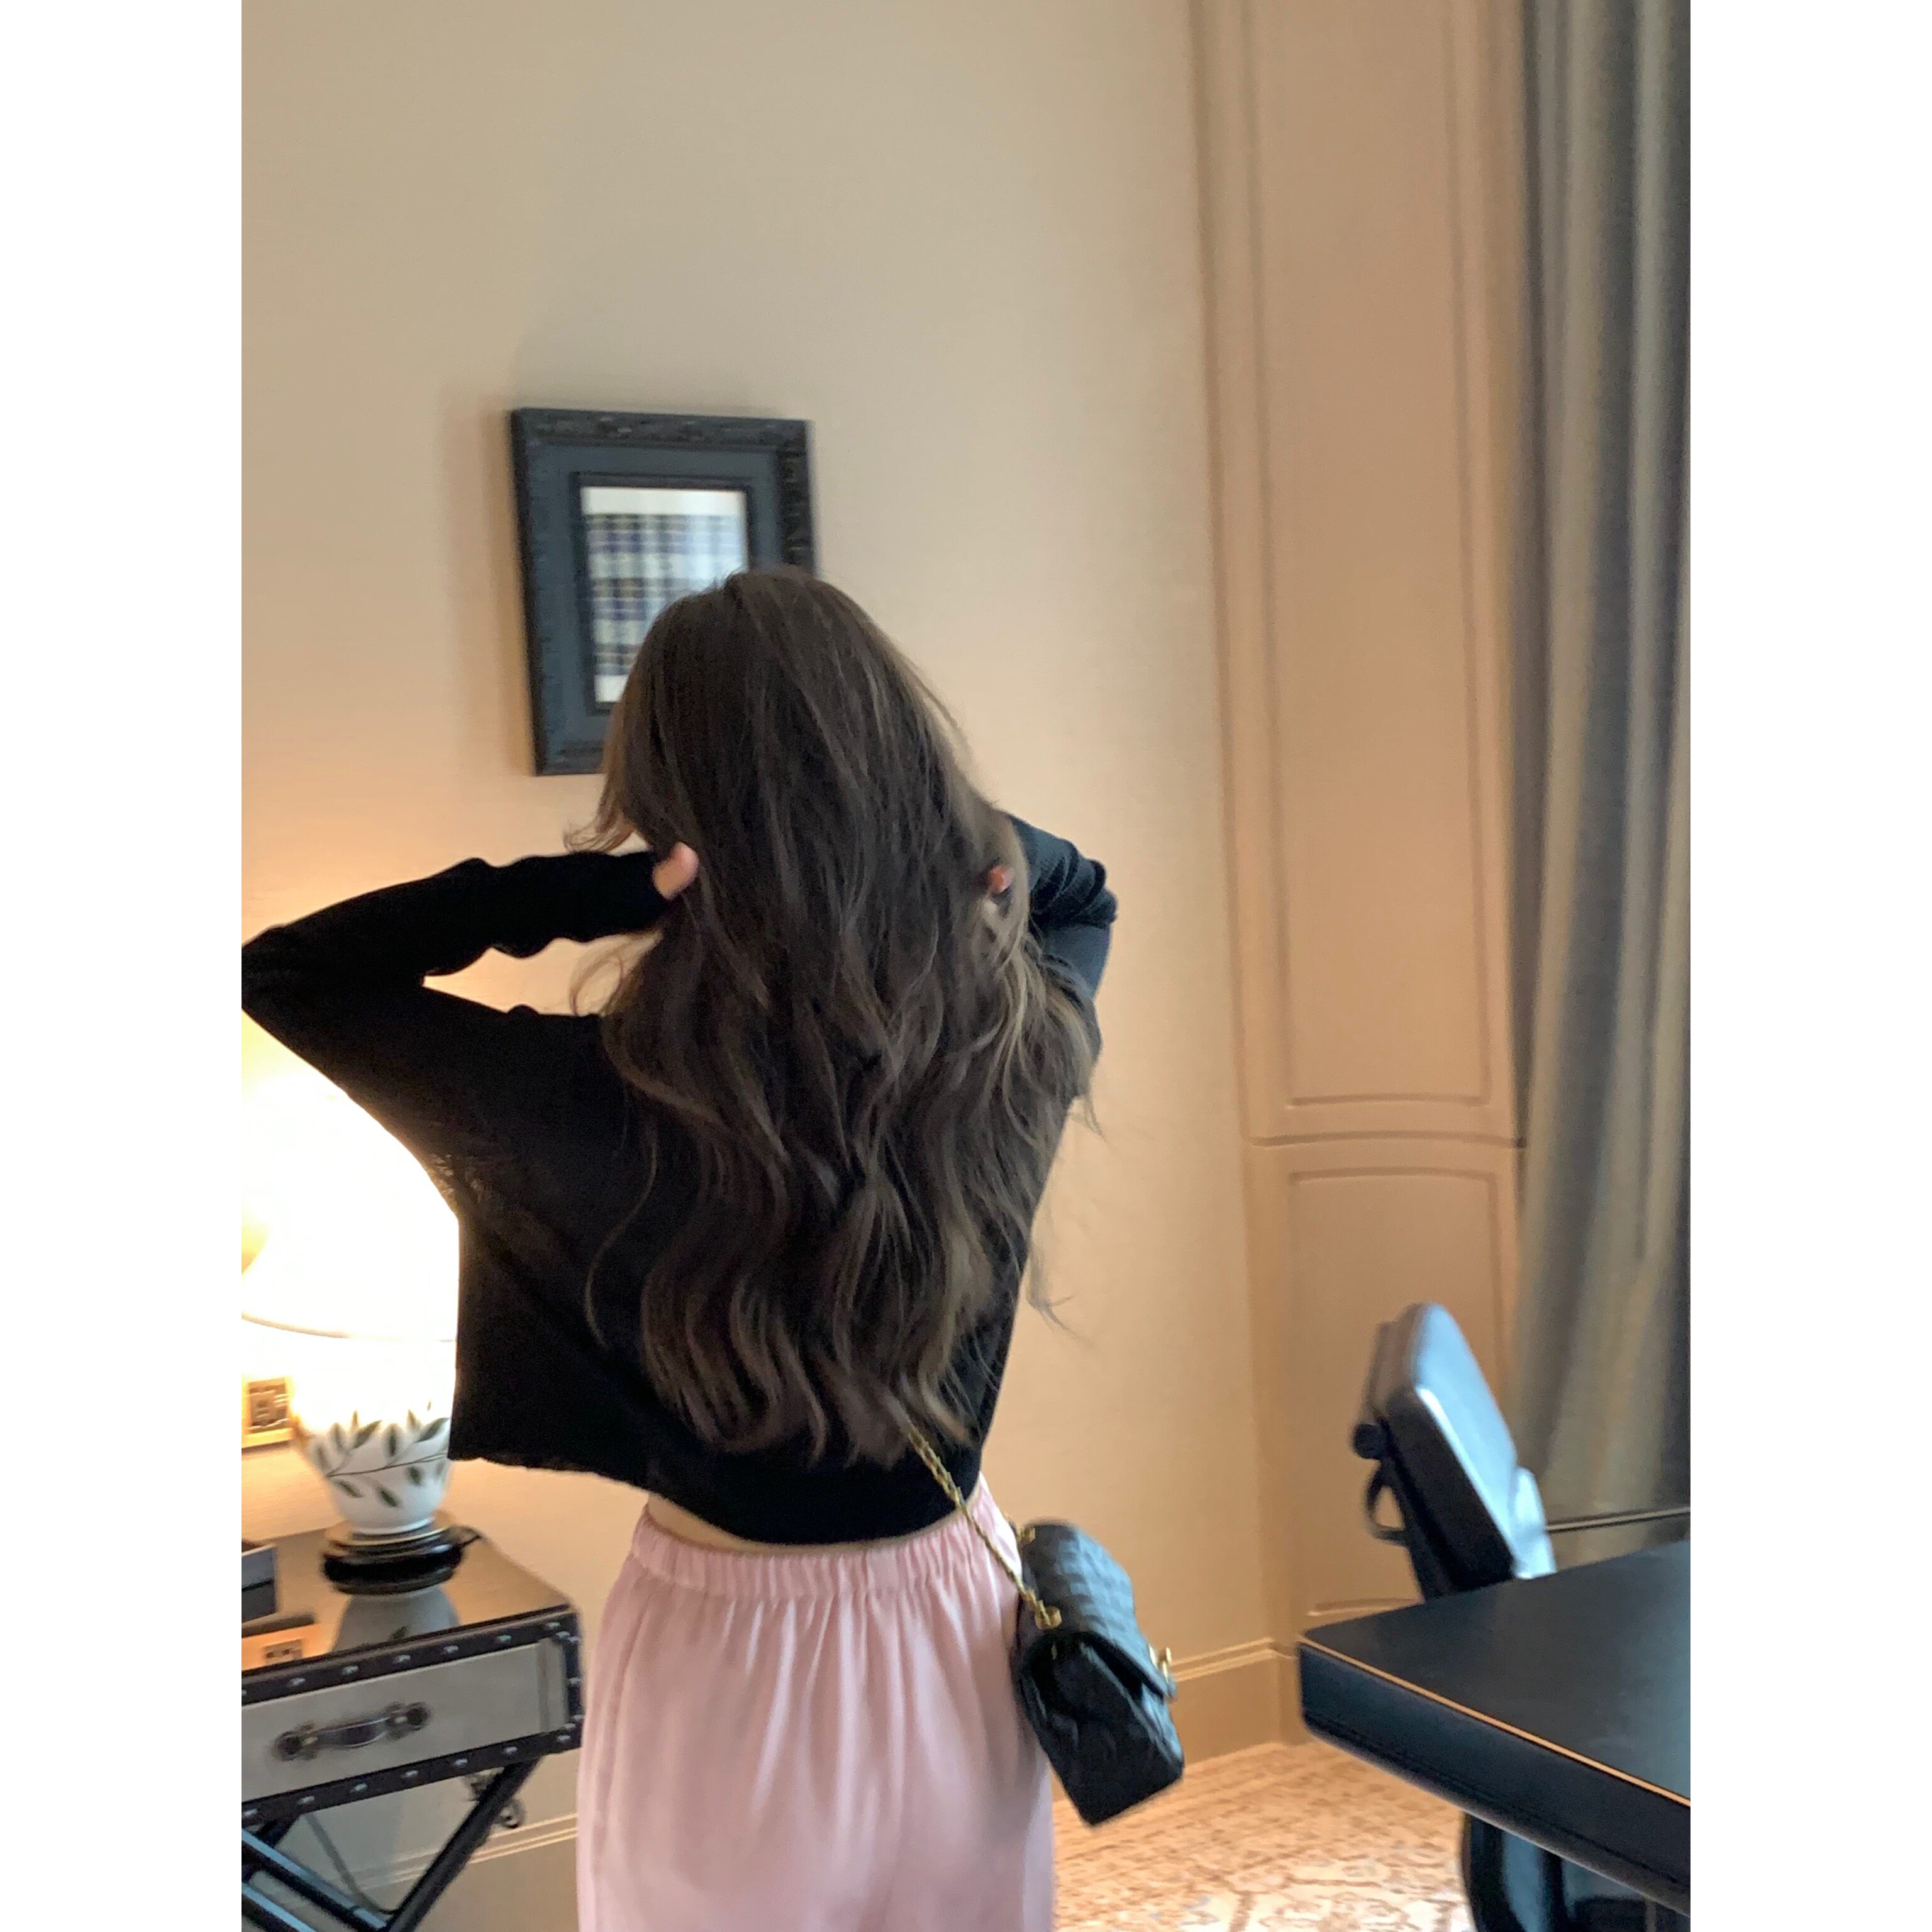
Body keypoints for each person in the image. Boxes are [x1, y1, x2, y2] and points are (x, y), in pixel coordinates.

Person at [241, 567, 1116, 1931]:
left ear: (663, 798)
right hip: (952, 1612)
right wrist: (977, 846)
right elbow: (1080, 893)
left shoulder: (576, 1097)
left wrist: (612, 890)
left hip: (729, 1646)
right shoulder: (999, 1058)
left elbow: (286, 972)